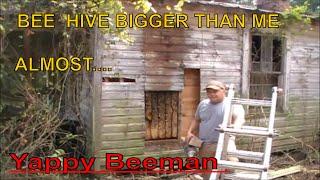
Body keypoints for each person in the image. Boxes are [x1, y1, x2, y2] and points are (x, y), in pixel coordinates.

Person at [187, 80, 245, 179]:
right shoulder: (203, 104)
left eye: (215, 91)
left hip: (225, 142)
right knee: (209, 174)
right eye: (209, 91)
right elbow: (197, 119)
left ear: (224, 91)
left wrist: (234, 127)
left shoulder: (232, 103)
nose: (211, 94)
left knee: (230, 168)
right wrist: (189, 132)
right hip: (206, 144)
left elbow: (240, 119)